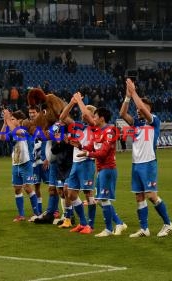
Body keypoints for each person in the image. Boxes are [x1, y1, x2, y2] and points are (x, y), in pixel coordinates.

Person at [120, 78, 172, 238]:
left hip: (149, 163)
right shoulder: (136, 123)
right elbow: (122, 113)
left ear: (149, 109)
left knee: (151, 195)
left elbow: (141, 107)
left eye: (142, 108)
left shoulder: (154, 121)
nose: (138, 110)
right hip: (136, 163)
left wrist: (134, 92)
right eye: (137, 108)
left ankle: (168, 223)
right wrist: (128, 95)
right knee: (139, 196)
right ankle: (144, 228)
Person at [77, 106, 128, 237]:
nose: (93, 119)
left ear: (102, 118)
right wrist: (79, 145)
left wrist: (87, 154)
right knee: (101, 199)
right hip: (101, 170)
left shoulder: (111, 131)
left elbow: (103, 152)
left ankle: (109, 229)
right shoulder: (99, 131)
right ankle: (118, 224)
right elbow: (92, 145)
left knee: (103, 199)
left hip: (108, 169)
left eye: (95, 116)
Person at [57, 93, 97, 234]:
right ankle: (83, 223)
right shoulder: (77, 126)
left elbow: (87, 116)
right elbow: (62, 118)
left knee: (88, 194)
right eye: (83, 113)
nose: (83, 115)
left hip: (87, 163)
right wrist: (72, 102)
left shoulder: (94, 127)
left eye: (87, 113)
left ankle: (90, 226)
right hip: (76, 163)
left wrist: (80, 101)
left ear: (93, 116)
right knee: (71, 194)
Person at [0, 109, 39, 222]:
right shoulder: (14, 131)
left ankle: (36, 213)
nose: (11, 121)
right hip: (15, 163)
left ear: (20, 120)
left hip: (26, 163)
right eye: (11, 119)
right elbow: (2, 137)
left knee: (28, 188)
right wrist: (4, 122)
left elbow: (14, 131)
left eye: (13, 119)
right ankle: (21, 215)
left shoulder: (23, 131)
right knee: (17, 189)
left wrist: (7, 119)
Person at [29, 105, 47, 218]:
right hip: (34, 162)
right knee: (36, 187)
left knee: (53, 186)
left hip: (44, 160)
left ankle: (54, 210)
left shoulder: (43, 125)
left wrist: (47, 158)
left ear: (38, 113)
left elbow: (47, 142)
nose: (31, 114)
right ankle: (39, 210)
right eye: (30, 112)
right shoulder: (28, 126)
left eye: (33, 112)